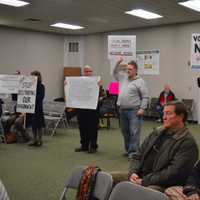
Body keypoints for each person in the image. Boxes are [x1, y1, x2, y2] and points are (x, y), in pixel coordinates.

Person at [112, 101, 198, 192]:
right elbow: (137, 155)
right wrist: (133, 172)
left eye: (168, 114)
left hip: (162, 184)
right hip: (140, 176)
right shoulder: (157, 132)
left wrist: (144, 181)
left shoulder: (187, 143)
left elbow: (173, 173)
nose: (164, 117)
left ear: (181, 117)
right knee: (109, 178)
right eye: (164, 113)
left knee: (147, 193)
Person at [112, 57, 149, 156]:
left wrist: (142, 108)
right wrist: (118, 63)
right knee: (125, 131)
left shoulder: (140, 81)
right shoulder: (123, 78)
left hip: (134, 110)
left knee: (134, 132)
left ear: (135, 70)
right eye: (127, 69)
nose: (128, 70)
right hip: (122, 109)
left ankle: (134, 152)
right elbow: (114, 73)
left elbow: (145, 96)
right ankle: (128, 149)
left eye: (130, 69)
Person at [75, 65, 101, 153]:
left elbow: (101, 94)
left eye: (90, 71)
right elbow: (74, 92)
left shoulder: (96, 81)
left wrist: (99, 87)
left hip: (93, 109)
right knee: (82, 127)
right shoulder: (79, 82)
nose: (88, 73)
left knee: (92, 128)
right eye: (86, 71)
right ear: (83, 72)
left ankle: (93, 146)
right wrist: (67, 85)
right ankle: (84, 145)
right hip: (81, 108)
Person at [28, 71, 45, 147]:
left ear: (38, 77)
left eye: (33, 76)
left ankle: (40, 140)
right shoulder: (30, 86)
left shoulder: (41, 86)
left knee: (39, 125)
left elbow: (41, 97)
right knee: (33, 125)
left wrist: (32, 96)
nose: (32, 78)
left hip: (38, 108)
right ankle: (34, 140)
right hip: (31, 108)